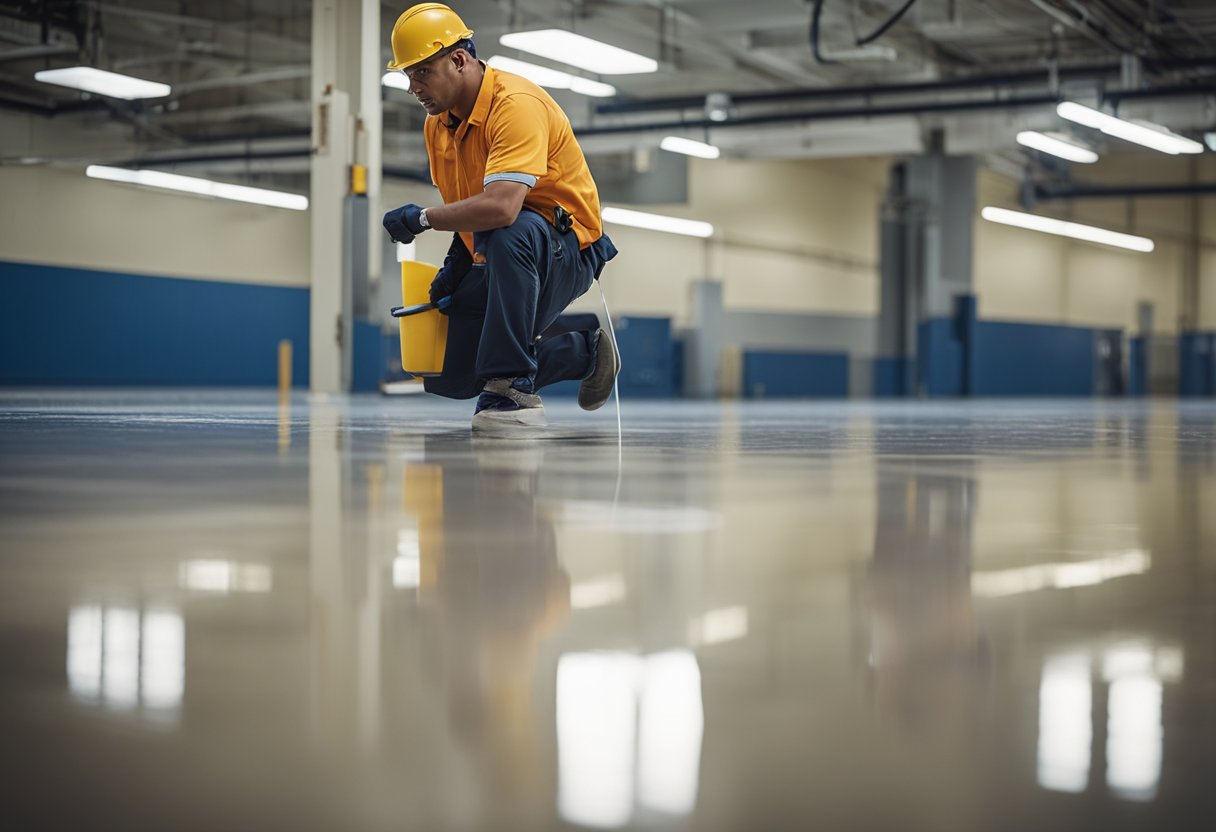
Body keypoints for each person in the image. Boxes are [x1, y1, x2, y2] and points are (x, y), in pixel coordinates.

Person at [382, 3, 619, 432]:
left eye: (421, 72)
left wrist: (422, 219)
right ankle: (583, 353)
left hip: (565, 248)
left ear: (458, 59)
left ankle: (513, 388)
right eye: (407, 76)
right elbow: (469, 201)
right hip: (499, 248)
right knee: (452, 378)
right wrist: (457, 263)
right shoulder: (437, 125)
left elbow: (502, 207)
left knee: (513, 230)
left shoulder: (515, 105)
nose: (413, 87)